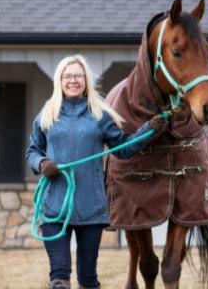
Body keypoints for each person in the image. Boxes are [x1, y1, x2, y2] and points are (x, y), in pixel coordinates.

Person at [25, 54, 167, 289]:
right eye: (67, 76)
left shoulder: (100, 116)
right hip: (54, 209)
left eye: (78, 76)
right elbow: (32, 151)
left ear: (86, 81)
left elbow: (124, 148)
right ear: (59, 80)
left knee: (88, 279)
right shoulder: (46, 115)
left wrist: (148, 129)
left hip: (91, 209)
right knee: (59, 278)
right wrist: (42, 164)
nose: (73, 80)